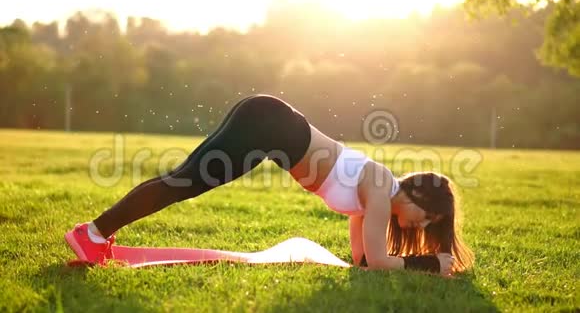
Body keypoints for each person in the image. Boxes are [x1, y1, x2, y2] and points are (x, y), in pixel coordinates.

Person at [65, 94, 474, 275]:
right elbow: (383, 264)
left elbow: (366, 264)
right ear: (418, 194)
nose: (421, 227)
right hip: (269, 126)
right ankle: (94, 233)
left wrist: (410, 261)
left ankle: (96, 233)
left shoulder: (375, 199)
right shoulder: (382, 191)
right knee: (183, 183)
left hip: (269, 123)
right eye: (427, 218)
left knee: (182, 181)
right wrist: (426, 264)